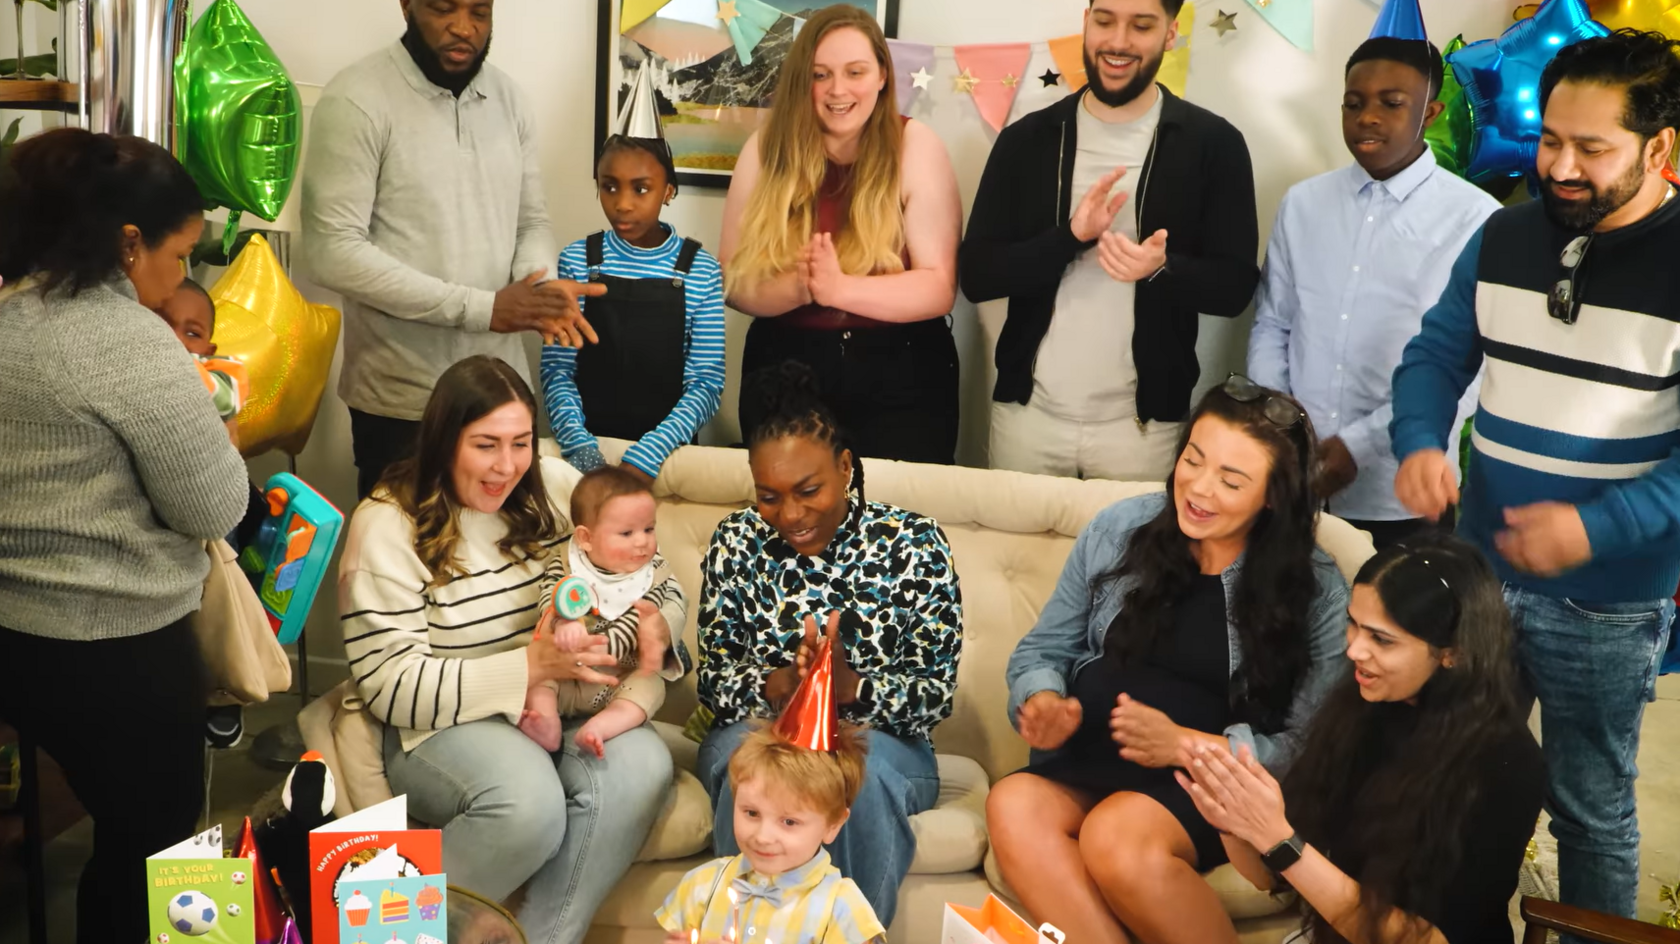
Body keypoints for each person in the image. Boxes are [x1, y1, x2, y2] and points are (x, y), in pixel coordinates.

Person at [1390, 29, 1680, 925]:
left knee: (1589, 809)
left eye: (1592, 149)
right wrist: (1418, 441)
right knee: (1455, 774)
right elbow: (1435, 355)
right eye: (1552, 139)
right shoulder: (1506, 233)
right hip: (1480, 573)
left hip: (1609, 598)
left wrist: (1594, 528)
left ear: (1660, 148)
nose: (1560, 165)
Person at [988, 376, 1350, 944]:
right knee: (1012, 803)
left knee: (1115, 835)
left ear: (1274, 496)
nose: (1198, 490)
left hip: (1204, 783)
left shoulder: (1315, 589)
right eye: (1193, 460)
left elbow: (1310, 744)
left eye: (1231, 480)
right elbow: (1044, 650)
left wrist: (1183, 744)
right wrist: (1043, 699)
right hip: (1092, 757)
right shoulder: (1120, 529)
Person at [0, 128, 249, 944]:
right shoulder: (130, 344)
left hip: (16, 637)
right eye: (180, 258)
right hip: (119, 649)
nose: (183, 279)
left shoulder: (10, 315)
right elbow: (213, 508)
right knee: (161, 855)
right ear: (129, 242)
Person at [339, 355, 678, 940]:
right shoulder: (387, 525)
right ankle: (375, 931)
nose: (507, 466)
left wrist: (658, 624)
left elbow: (647, 572)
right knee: (528, 804)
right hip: (447, 723)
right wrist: (529, 667)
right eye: (486, 445)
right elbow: (390, 689)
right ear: (445, 441)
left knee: (645, 764)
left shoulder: (557, 490)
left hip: (572, 703)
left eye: (521, 442)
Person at [694, 361, 963, 926]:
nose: (789, 515)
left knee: (851, 783)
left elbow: (934, 697)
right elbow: (714, 681)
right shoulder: (736, 541)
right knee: (757, 775)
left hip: (882, 741)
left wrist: (849, 688)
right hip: (759, 729)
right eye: (769, 496)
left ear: (845, 467)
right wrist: (781, 687)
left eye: (808, 490)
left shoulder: (913, 543)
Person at [302, 0, 602, 501]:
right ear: (406, 5)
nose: (463, 28)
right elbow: (333, 250)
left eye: (480, 12)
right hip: (403, 405)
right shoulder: (356, 97)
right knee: (402, 564)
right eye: (443, 8)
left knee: (499, 565)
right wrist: (486, 308)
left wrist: (537, 286)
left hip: (498, 397)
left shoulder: (510, 100)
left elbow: (531, 221)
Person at [1179, 534, 1543, 944]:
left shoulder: (1506, 763)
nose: (1354, 650)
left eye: (1381, 639)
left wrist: (1279, 841)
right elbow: (1274, 877)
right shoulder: (1362, 705)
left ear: (1453, 652)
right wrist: (1234, 824)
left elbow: (1427, 940)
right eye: (1353, 624)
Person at [961, 0, 1260, 481]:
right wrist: (1070, 238)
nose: (1118, 41)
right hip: (1028, 419)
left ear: (1170, 33)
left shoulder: (1214, 144)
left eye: (1141, 25)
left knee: (1135, 559)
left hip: (1146, 431)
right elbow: (977, 275)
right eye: (1104, 21)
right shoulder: (1026, 140)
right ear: (1086, 21)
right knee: (1017, 555)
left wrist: (1162, 269)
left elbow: (1235, 287)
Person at [1247, 36, 1496, 548]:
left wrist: (1357, 446)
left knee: (1389, 628)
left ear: (1430, 112)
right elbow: (1274, 322)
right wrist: (1283, 425)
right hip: (1295, 483)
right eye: (1354, 103)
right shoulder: (1303, 204)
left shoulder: (1477, 219)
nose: (1368, 118)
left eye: (1391, 103)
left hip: (1402, 494)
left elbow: (1471, 369)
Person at [720, 5, 963, 465]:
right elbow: (730, 278)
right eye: (820, 74)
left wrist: (839, 289)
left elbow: (938, 287)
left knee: (895, 521)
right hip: (784, 368)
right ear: (801, 81)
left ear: (882, 77)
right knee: (792, 519)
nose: (838, 90)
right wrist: (798, 287)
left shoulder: (917, 145)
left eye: (855, 72)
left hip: (903, 374)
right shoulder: (764, 148)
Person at [542, 134, 725, 482]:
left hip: (668, 457)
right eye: (609, 187)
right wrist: (582, 451)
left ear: (668, 191)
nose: (622, 204)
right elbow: (558, 371)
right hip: (586, 452)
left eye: (641, 189)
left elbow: (706, 382)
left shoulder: (700, 269)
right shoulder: (578, 261)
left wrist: (650, 453)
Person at [656, 726, 884, 944]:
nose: (763, 837)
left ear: (833, 825)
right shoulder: (701, 884)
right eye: (752, 813)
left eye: (789, 822)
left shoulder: (843, 908)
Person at [520, 465, 691, 756]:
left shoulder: (654, 575)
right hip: (564, 671)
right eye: (626, 533)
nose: (642, 541)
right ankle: (546, 724)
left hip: (616, 678)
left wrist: (603, 649)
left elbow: (638, 620)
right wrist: (564, 621)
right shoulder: (566, 562)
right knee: (536, 680)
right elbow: (550, 594)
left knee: (650, 685)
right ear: (586, 538)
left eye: (649, 529)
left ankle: (602, 726)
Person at [153, 277, 249, 443]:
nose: (176, 338)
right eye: (162, 324)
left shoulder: (220, 369)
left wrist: (180, 364)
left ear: (208, 350)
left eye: (193, 334)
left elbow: (227, 401)